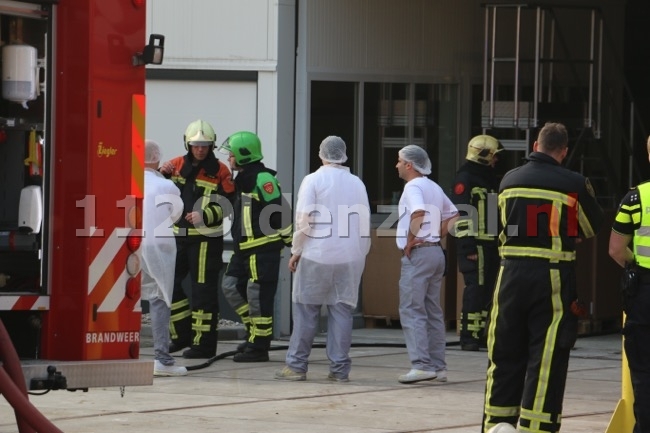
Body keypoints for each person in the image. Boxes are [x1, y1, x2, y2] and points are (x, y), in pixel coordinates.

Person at [482, 122, 604, 433]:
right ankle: (536, 428)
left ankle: (497, 424)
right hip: (551, 277)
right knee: (547, 354)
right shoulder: (574, 183)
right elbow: (590, 228)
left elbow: (503, 224)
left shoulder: (509, 179)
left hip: (509, 274)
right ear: (563, 152)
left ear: (536, 145)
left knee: (504, 351)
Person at [274, 136, 371, 382]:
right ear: (344, 154)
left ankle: (296, 366)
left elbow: (305, 219)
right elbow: (364, 222)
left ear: (321, 155)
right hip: (349, 257)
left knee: (307, 311)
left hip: (317, 255)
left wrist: (297, 249)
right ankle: (339, 370)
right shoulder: (357, 183)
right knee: (342, 312)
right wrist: (360, 255)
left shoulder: (313, 180)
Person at [158, 119, 235, 359]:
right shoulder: (176, 165)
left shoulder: (221, 170)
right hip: (177, 237)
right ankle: (180, 335)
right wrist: (161, 175)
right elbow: (158, 194)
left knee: (203, 292)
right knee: (168, 285)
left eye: (204, 145)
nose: (200, 149)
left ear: (211, 146)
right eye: (195, 145)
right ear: (188, 144)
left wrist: (205, 215)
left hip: (205, 241)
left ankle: (203, 344)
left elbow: (229, 204)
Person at [218, 131, 292, 362]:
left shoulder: (263, 179)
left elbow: (281, 213)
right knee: (230, 286)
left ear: (243, 154)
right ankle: (253, 335)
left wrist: (293, 247)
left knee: (259, 298)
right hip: (244, 250)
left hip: (263, 251)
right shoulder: (243, 180)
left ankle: (259, 347)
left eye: (231, 154)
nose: (229, 158)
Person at [395, 144, 458, 384]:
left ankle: (421, 365)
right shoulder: (434, 186)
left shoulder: (413, 187)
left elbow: (418, 212)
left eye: (399, 161)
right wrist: (435, 235)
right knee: (433, 311)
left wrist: (412, 240)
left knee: (412, 309)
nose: (397, 165)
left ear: (409, 165)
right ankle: (438, 366)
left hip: (419, 254)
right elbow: (454, 215)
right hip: (435, 253)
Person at [608, 134, 650, 433]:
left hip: (645, 294)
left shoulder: (636, 198)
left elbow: (616, 249)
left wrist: (635, 264)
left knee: (644, 372)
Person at [451, 135, 504, 351]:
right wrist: (467, 247)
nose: (496, 161)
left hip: (491, 245)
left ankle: (481, 333)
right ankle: (469, 336)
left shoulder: (490, 179)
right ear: (483, 156)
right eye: (494, 156)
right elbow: (462, 214)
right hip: (475, 247)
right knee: (475, 289)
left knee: (488, 290)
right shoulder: (465, 178)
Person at [141, 139, 187, 377]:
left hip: (127, 244)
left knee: (125, 299)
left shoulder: (124, 181)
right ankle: (162, 359)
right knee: (159, 299)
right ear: (157, 159)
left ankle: (115, 351)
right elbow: (176, 214)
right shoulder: (167, 187)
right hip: (158, 246)